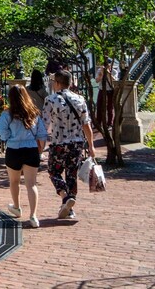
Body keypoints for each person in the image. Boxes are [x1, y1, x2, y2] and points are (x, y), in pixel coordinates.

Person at [43, 69, 97, 220]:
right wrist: (91, 146)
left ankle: (65, 197)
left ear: (58, 83)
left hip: (59, 143)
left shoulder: (51, 100)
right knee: (71, 174)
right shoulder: (80, 99)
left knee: (54, 171)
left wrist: (40, 144)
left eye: (54, 82)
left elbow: (44, 124)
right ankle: (69, 208)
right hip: (77, 143)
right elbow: (86, 124)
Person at [0, 85, 48, 229]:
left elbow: (2, 134)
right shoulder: (33, 114)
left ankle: (17, 207)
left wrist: (12, 137)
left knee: (14, 181)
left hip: (14, 149)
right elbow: (42, 134)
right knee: (31, 184)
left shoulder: (7, 115)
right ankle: (33, 216)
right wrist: (40, 149)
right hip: (31, 149)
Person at [95, 60, 118, 131]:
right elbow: (97, 81)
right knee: (99, 106)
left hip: (110, 91)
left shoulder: (114, 71)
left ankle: (110, 123)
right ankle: (98, 123)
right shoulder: (99, 70)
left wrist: (108, 73)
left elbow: (114, 81)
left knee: (110, 107)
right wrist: (101, 74)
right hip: (102, 90)